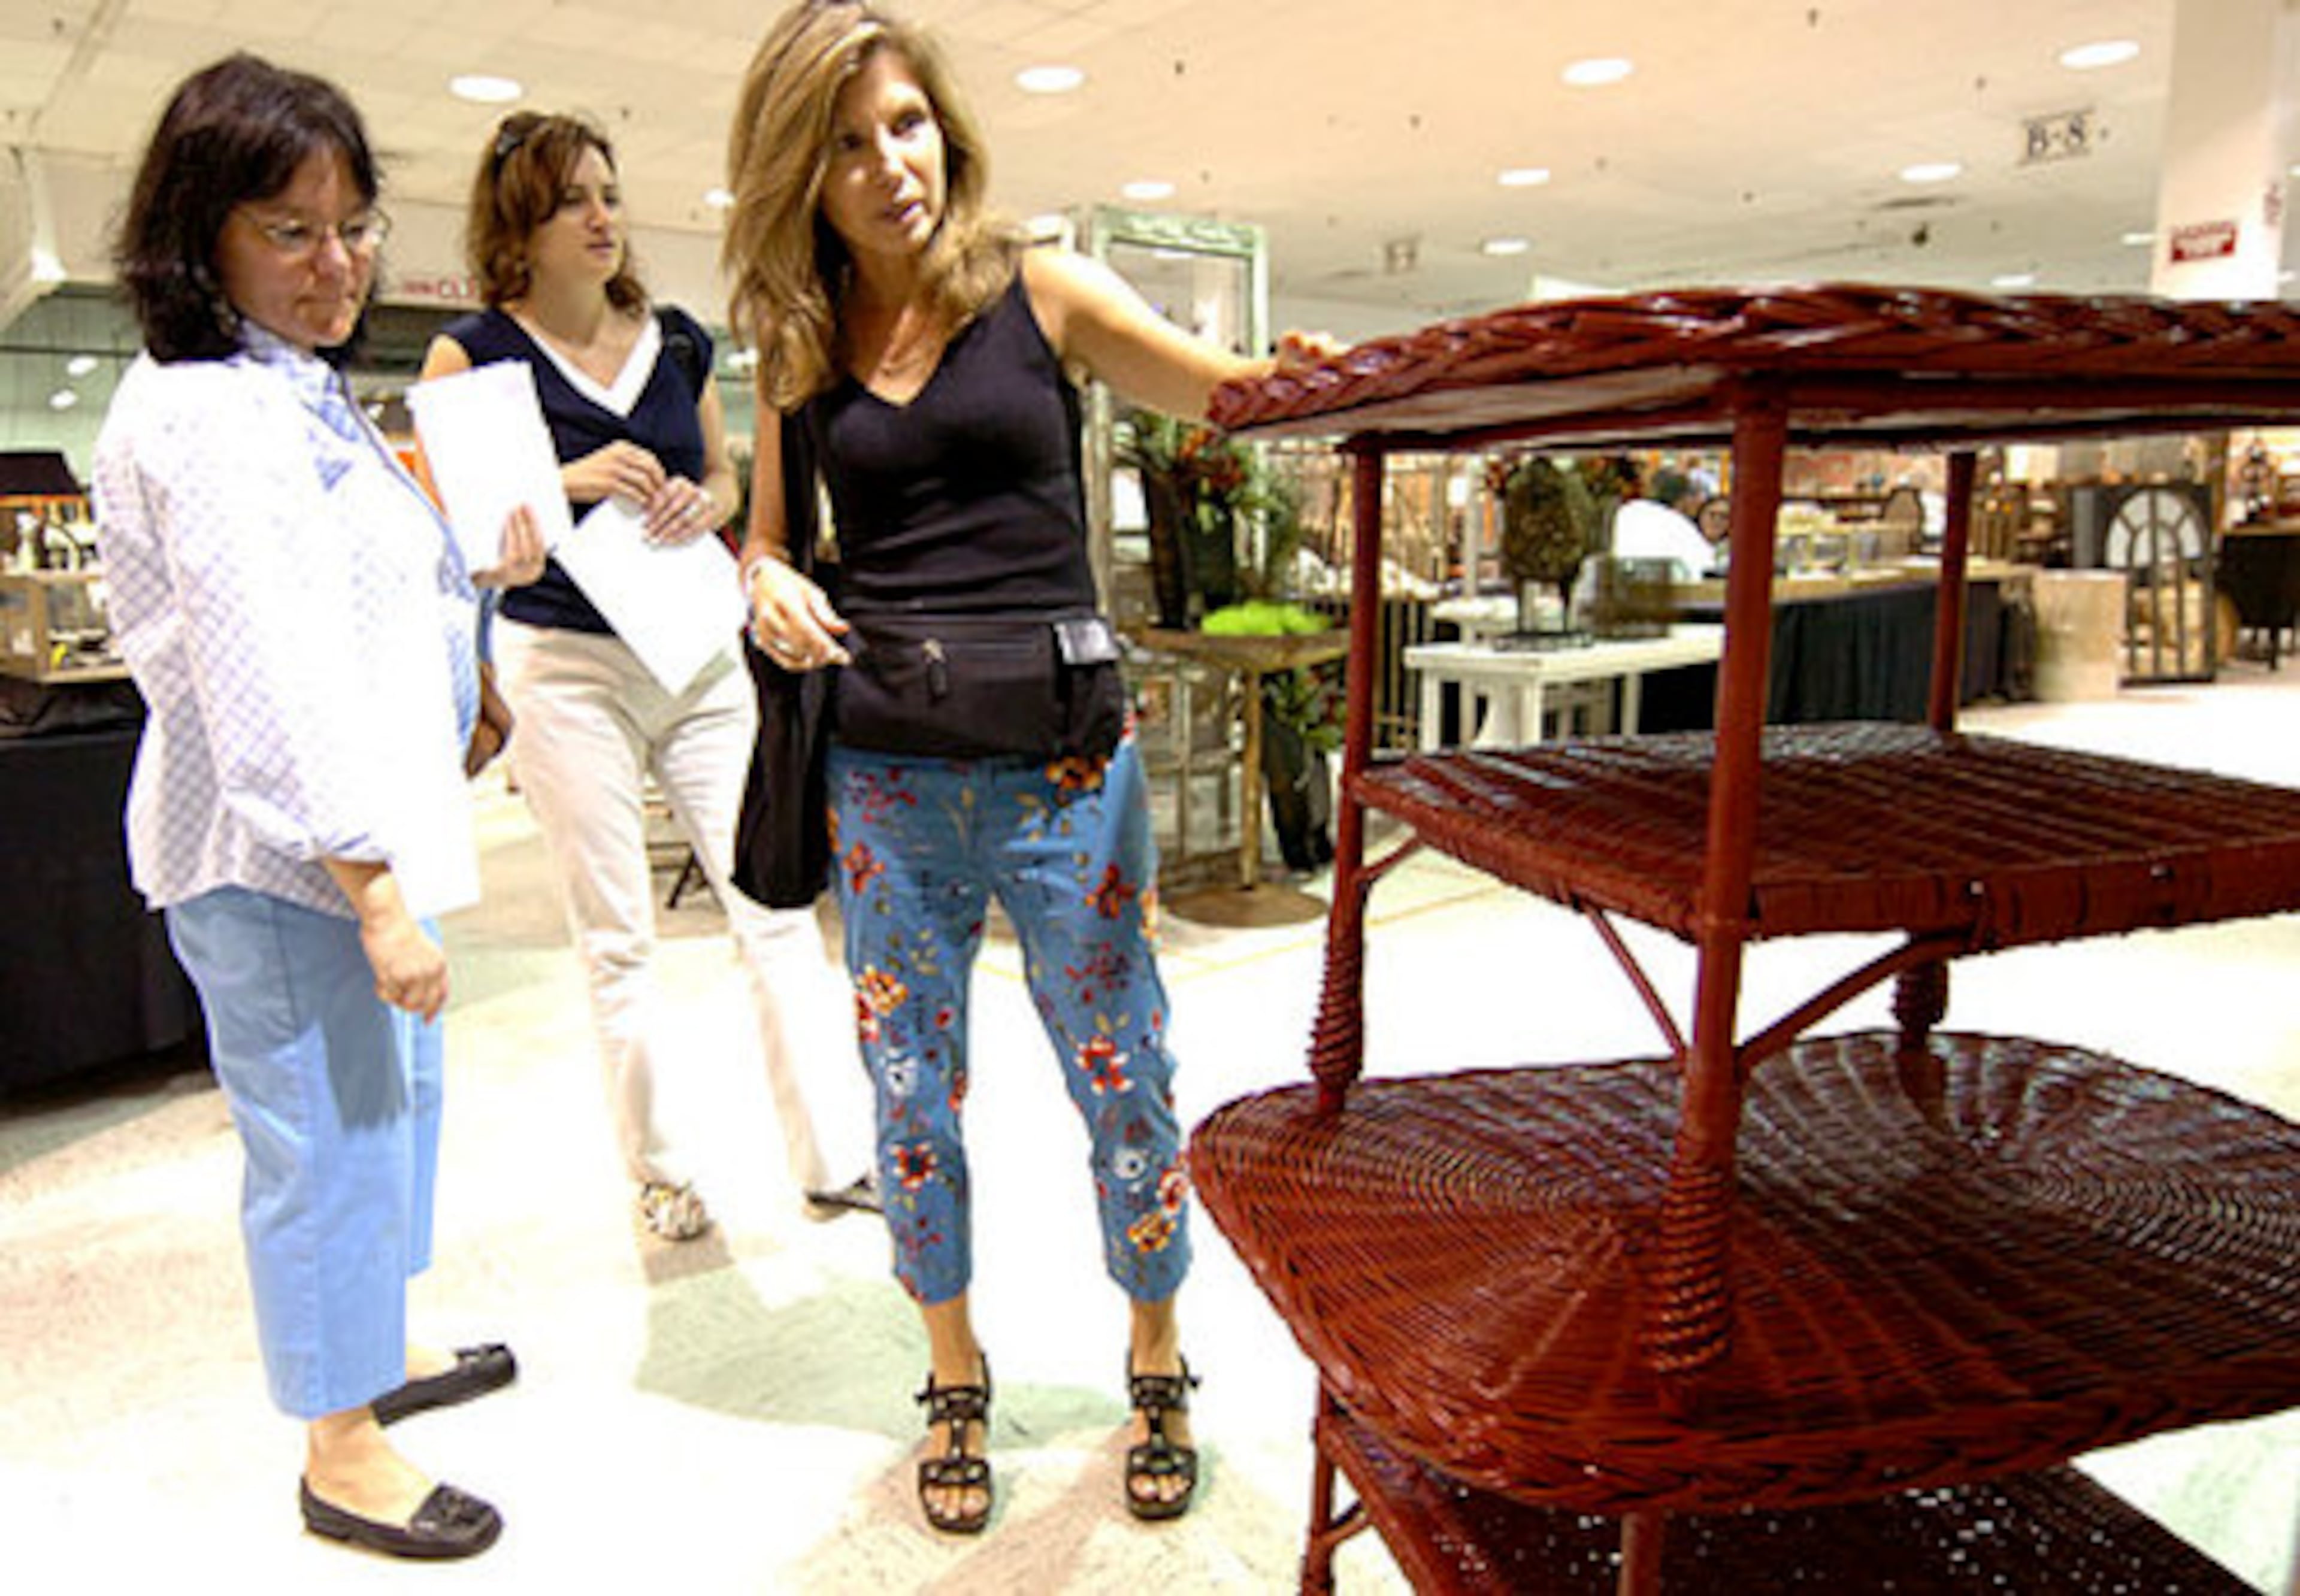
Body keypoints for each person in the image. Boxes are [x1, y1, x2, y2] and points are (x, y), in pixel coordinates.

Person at [724, 0, 1330, 1534]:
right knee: (909, 1092)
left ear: (948, 131)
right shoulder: (799, 341)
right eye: (847, 143)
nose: (890, 165)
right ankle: (953, 1372)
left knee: (1123, 1074)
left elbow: (1222, 387)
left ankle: (1157, 1350)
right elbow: (771, 537)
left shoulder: (1038, 288)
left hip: (1066, 771)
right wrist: (767, 579)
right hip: (886, 775)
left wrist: (1305, 378)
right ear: (802, 172)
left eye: (908, 125)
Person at [92, 53, 543, 1560]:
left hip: (352, 840)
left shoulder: (287, 386)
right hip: (281, 862)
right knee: (325, 1139)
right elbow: (265, 674)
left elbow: (355, 600)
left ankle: (373, 1348)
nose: (335, 263)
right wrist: (374, 892)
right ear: (199, 234)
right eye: (289, 231)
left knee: (387, 1112)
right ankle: (339, 1445)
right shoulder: (207, 414)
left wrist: (473, 617)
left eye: (352, 226)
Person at [418, 111, 875, 1242]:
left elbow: (724, 478)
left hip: (697, 648)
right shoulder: (473, 354)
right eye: (571, 199)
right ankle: (661, 1169)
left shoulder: (675, 342)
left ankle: (835, 1156)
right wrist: (570, 478)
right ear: (519, 222)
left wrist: (695, 500)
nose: (601, 217)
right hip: (565, 662)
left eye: (609, 194)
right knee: (617, 933)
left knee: (773, 900)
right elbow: (460, 525)